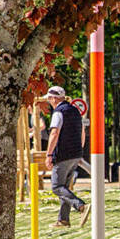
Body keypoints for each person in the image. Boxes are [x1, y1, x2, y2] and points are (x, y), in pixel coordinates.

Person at [42, 86, 90, 228]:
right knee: (65, 187)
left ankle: (81, 206)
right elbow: (82, 132)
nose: (49, 101)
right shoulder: (75, 111)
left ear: (55, 98)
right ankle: (63, 220)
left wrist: (49, 154)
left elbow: (54, 133)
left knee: (57, 187)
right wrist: (79, 149)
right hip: (75, 154)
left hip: (63, 155)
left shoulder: (58, 112)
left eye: (50, 98)